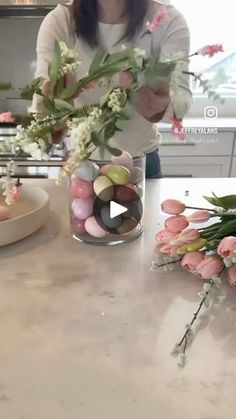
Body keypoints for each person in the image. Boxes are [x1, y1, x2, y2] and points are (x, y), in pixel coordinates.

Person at [33, 0, 191, 178]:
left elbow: (180, 105)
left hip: (140, 165)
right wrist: (57, 108)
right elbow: (42, 119)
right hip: (84, 166)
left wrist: (156, 101)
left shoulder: (167, 20)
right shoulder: (60, 22)